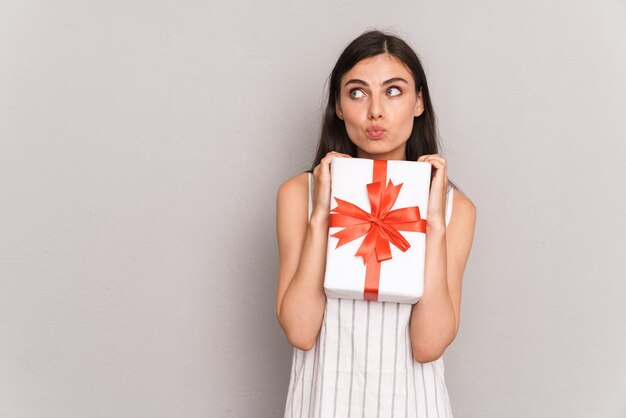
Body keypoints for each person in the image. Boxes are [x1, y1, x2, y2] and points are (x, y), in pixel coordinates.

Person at [275, 29, 477, 418]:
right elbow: (300, 332)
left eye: (394, 90)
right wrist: (322, 214)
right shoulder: (299, 194)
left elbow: (428, 344)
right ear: (338, 106)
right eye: (357, 92)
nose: (375, 111)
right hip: (323, 403)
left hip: (414, 406)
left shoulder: (456, 208)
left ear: (419, 102)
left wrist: (432, 224)